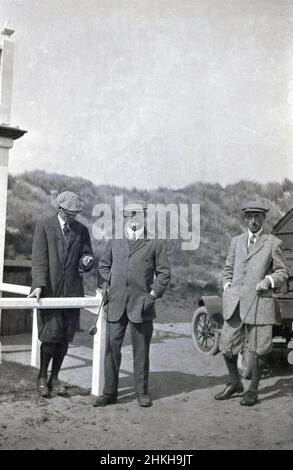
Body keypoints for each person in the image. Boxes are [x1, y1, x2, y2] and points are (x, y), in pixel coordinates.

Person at [93, 200, 171, 407]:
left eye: (138, 214)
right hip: (115, 303)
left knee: (141, 351)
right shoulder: (115, 240)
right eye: (129, 215)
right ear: (124, 217)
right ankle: (109, 393)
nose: (134, 218)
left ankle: (141, 393)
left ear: (145, 216)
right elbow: (103, 266)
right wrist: (105, 285)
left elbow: (163, 276)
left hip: (141, 306)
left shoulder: (155, 243)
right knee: (111, 349)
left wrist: (152, 296)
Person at [215, 200, 289, 406]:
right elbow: (227, 269)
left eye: (258, 217)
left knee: (259, 349)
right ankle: (234, 383)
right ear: (245, 218)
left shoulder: (273, 243)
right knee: (226, 345)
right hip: (236, 303)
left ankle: (253, 390)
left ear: (264, 218)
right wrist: (227, 287)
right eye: (250, 217)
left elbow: (283, 272)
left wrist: (269, 280)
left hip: (260, 303)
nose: (254, 221)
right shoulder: (236, 242)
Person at [28, 190, 94, 397]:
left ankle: (55, 378)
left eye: (75, 214)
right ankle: (41, 377)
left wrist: (86, 260)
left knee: (65, 336)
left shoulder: (81, 230)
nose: (72, 217)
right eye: (69, 213)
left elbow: (86, 253)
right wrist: (39, 285)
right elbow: (39, 259)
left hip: (72, 291)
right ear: (60, 208)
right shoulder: (44, 225)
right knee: (50, 335)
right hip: (50, 290)